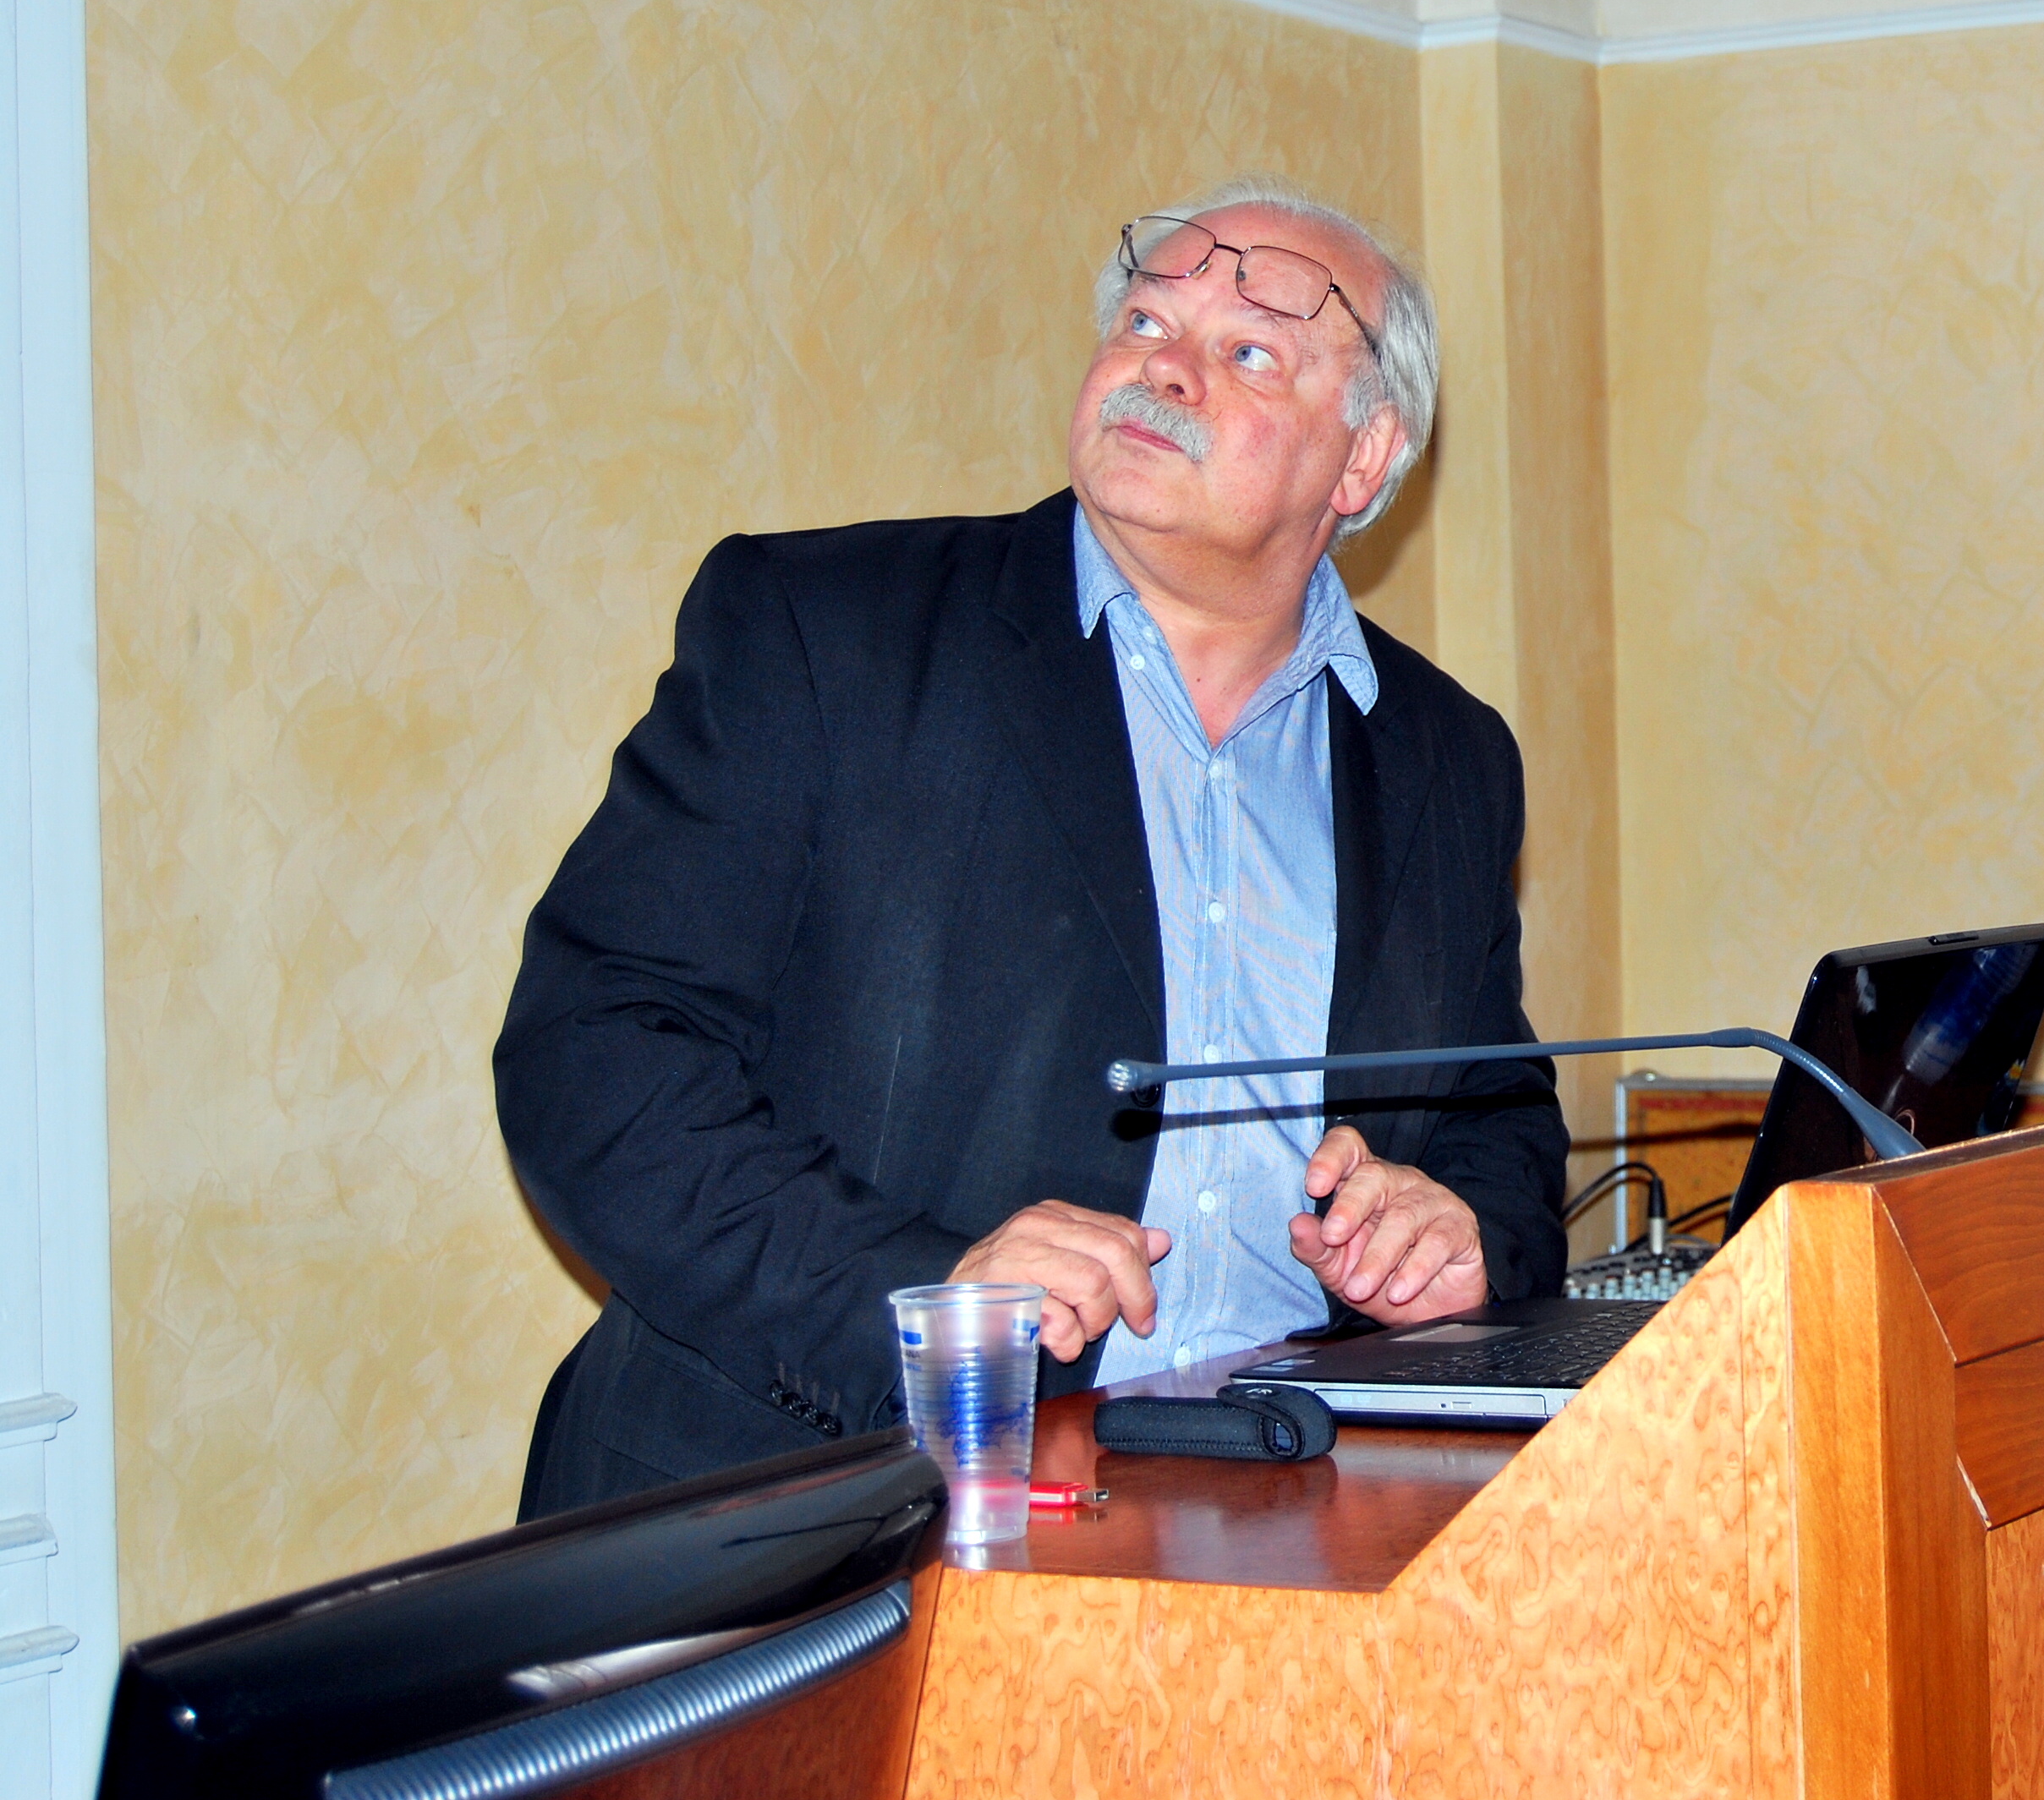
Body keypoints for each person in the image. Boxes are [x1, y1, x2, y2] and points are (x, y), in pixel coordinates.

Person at [497, 182, 1566, 1513]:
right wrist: (926, 1299)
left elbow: (1498, 1125)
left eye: (1246, 350)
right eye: (1144, 321)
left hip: (1275, 1525)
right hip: (811, 1525)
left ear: (1364, 458)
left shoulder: (1448, 757)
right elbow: (594, 1054)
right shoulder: (827, 635)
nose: (1161, 367)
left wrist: (1461, 1236)